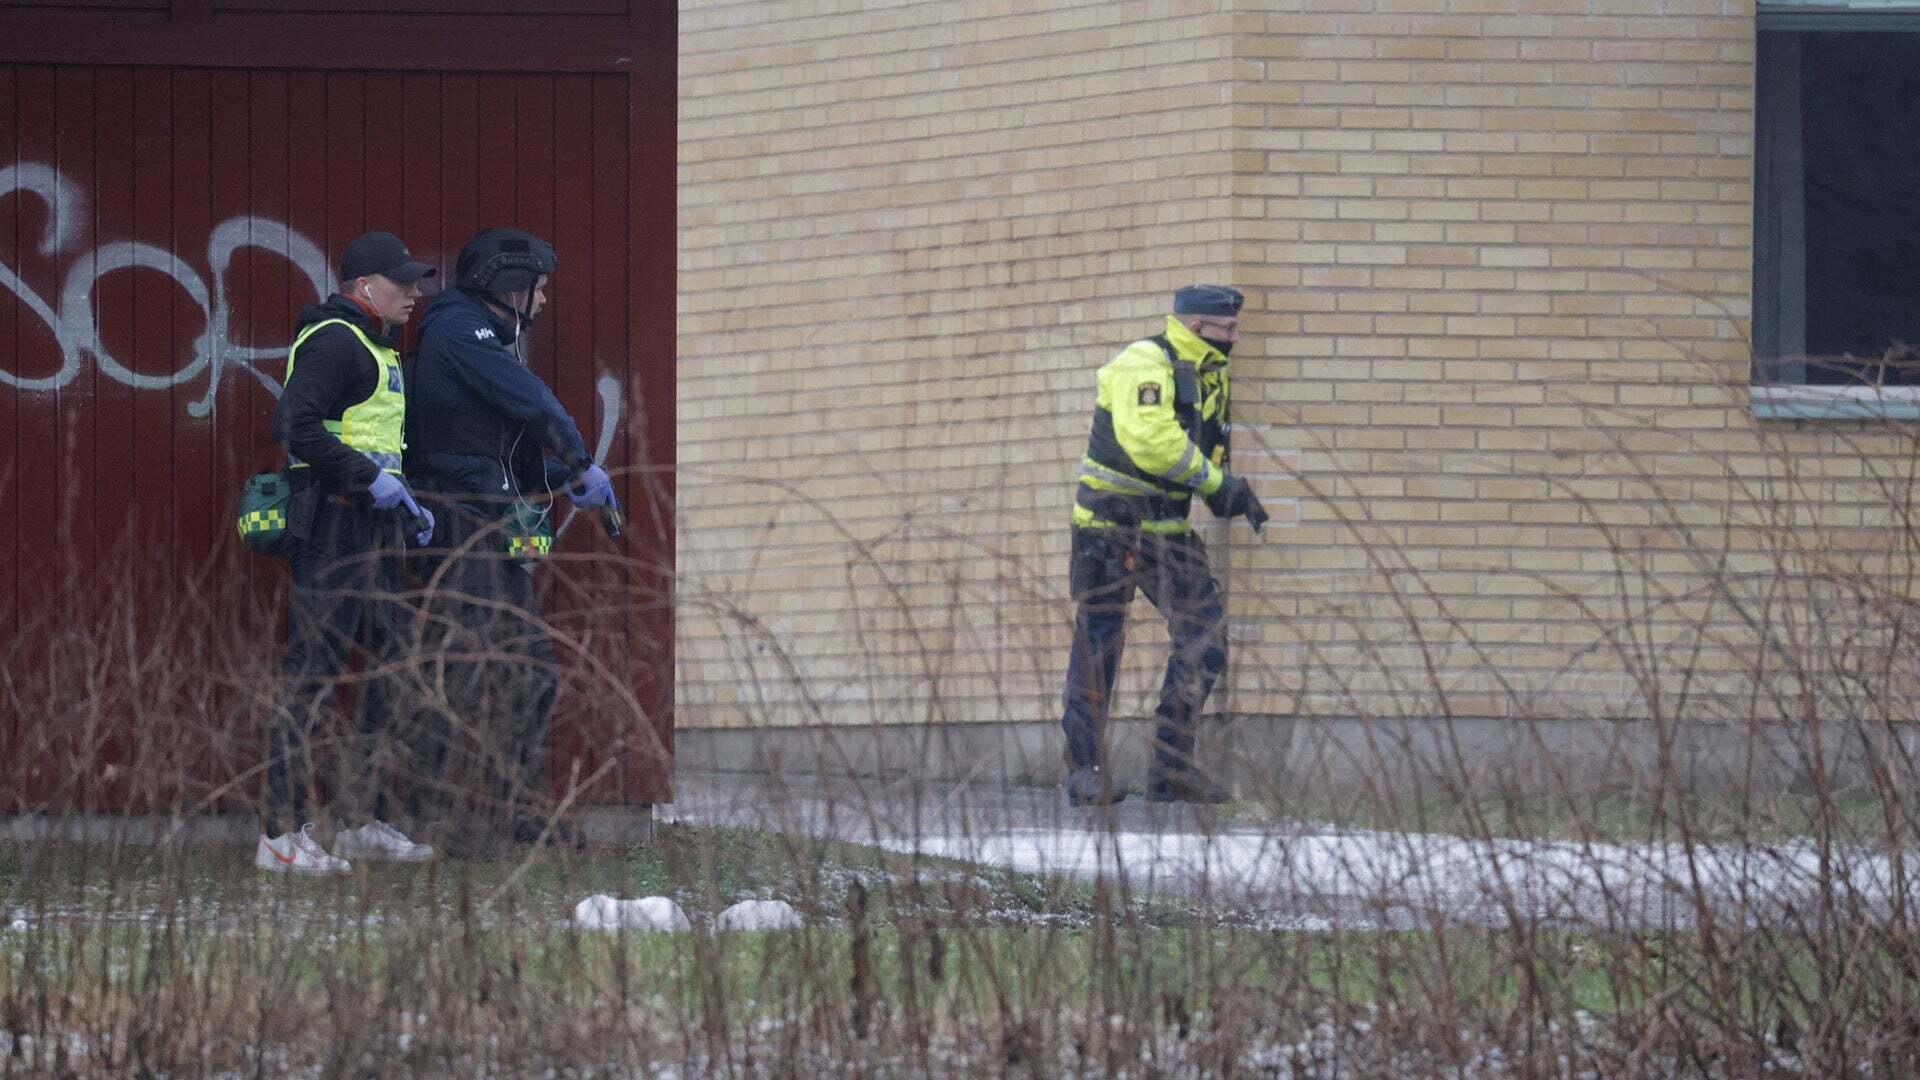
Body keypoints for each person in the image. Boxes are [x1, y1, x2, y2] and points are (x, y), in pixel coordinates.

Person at [404, 227, 613, 856]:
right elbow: (532, 403)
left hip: (491, 517)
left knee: (529, 669)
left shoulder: (488, 339)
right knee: (462, 669)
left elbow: (502, 449)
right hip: (458, 522)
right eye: (539, 288)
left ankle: (522, 810)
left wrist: (560, 478)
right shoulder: (457, 332)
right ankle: (439, 819)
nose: (544, 301)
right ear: (508, 285)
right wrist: (578, 456)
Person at [258, 231, 439, 874]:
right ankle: (280, 839)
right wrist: (370, 482)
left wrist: (406, 502)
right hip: (332, 530)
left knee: (390, 671)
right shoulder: (337, 340)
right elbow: (294, 426)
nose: (415, 292)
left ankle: (364, 820)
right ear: (365, 286)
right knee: (311, 680)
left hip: (373, 531)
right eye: (404, 281)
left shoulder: (376, 346)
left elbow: (373, 440)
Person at [1059, 285, 1269, 807]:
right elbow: (1151, 443)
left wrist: (1224, 488)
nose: (1236, 337)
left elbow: (1201, 445)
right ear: (1198, 327)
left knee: (1205, 639)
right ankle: (1084, 771)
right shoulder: (1144, 362)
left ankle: (1172, 769)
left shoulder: (1208, 376)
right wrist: (1217, 485)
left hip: (1167, 531)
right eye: (1228, 329)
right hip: (1111, 527)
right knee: (1099, 646)